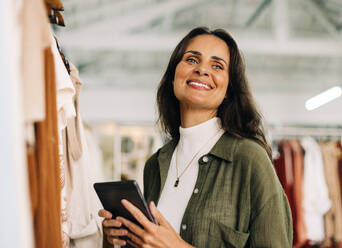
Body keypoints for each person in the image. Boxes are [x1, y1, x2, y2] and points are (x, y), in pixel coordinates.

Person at [98, 26, 292, 248]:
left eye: (217, 66)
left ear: (229, 88)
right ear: (173, 77)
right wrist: (118, 239)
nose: (202, 70)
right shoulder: (155, 164)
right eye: (191, 60)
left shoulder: (250, 159)